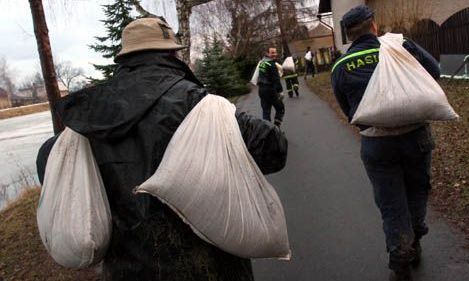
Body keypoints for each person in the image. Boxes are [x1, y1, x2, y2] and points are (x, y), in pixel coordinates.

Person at [36, 17, 287, 281]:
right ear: (170, 54)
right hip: (214, 271)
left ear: (124, 59)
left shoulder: (89, 115)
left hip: (129, 273)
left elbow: (48, 161)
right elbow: (274, 149)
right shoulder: (200, 105)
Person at [330, 5, 440, 281]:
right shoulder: (400, 45)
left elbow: (351, 113)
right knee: (417, 189)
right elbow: (435, 72)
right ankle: (415, 240)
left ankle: (400, 261)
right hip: (416, 137)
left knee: (391, 204)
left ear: (349, 35)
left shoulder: (341, 67)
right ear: (374, 27)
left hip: (377, 145)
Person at [257, 47, 285, 127]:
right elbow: (276, 79)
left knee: (266, 112)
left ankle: (267, 132)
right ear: (268, 53)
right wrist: (280, 91)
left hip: (261, 90)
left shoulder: (262, 63)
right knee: (280, 108)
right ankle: (276, 128)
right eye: (272, 53)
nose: (275, 54)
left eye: (275, 52)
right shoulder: (272, 64)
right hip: (270, 90)